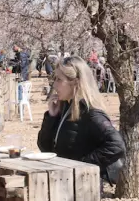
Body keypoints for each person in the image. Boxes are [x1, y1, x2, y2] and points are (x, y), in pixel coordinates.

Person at [37, 56, 125, 184]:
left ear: (76, 82)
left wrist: (82, 166)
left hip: (82, 189)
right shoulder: (64, 109)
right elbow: (44, 148)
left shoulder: (91, 114)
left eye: (59, 79)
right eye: (54, 79)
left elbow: (117, 146)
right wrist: (51, 117)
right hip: (62, 182)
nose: (54, 84)